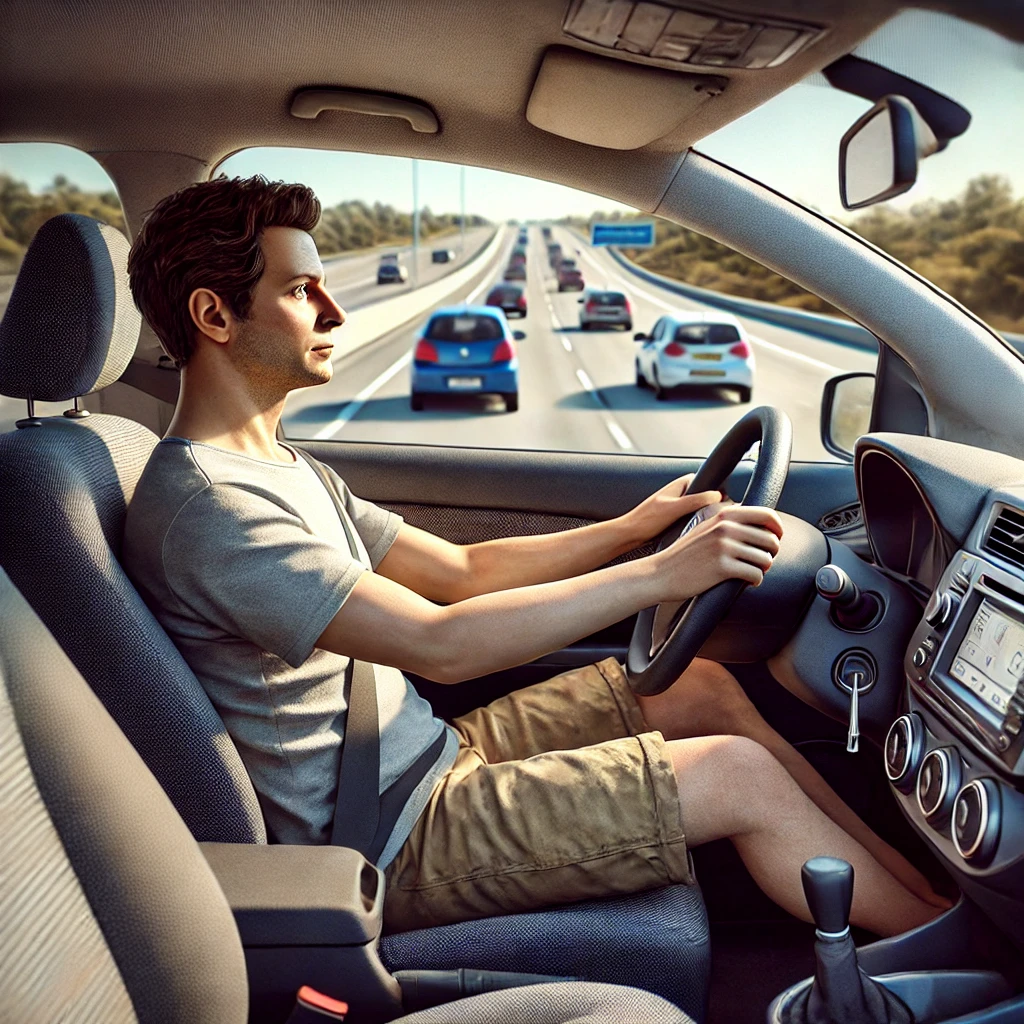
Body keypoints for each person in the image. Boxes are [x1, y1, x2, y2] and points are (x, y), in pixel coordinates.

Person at [122, 175, 947, 939]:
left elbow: (460, 573)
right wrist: (663, 574)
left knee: (699, 687)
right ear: (214, 316)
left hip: (420, 757)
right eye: (302, 291)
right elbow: (442, 643)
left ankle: (933, 903)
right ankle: (949, 956)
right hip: (383, 835)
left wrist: (632, 528)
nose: (335, 311)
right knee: (736, 776)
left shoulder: (282, 466)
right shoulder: (211, 508)